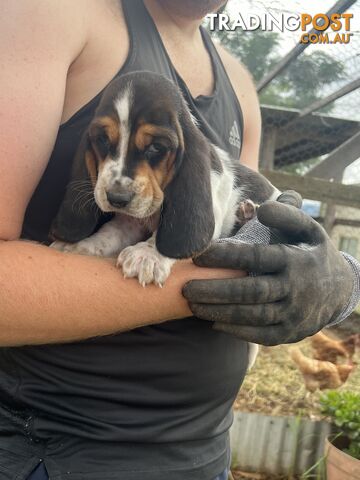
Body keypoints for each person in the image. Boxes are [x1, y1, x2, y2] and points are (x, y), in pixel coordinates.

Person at [0, 1, 358, 479]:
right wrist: (227, 279)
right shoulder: (50, 13)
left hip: (207, 452)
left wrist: (335, 282)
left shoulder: (240, 85)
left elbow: (223, 230)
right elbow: (221, 262)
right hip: (68, 453)